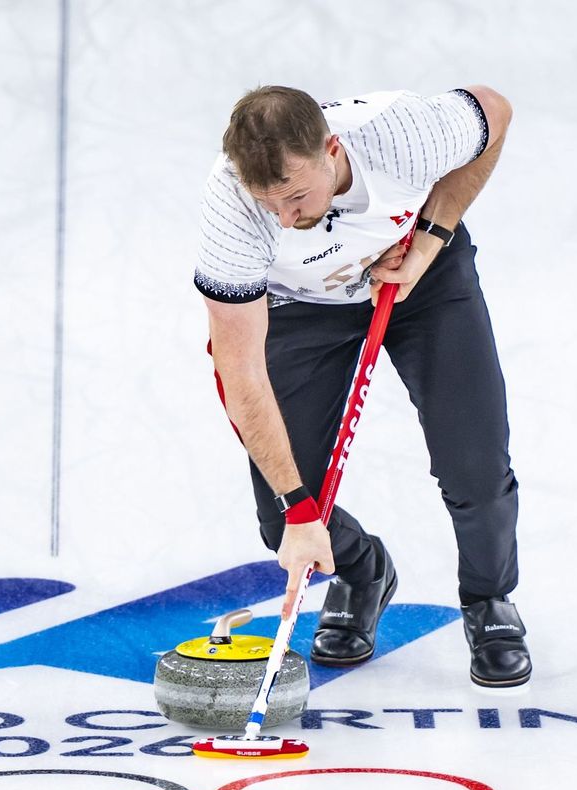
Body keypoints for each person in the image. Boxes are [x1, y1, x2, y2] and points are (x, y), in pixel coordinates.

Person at [194, 85, 531, 687]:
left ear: (332, 149)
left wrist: (431, 238)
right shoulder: (231, 212)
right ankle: (364, 570)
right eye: (266, 203)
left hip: (421, 285)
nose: (283, 220)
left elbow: (496, 113)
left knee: (475, 467)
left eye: (296, 197)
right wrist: (301, 510)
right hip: (300, 306)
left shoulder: (406, 134)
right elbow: (240, 372)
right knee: (284, 515)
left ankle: (488, 601)